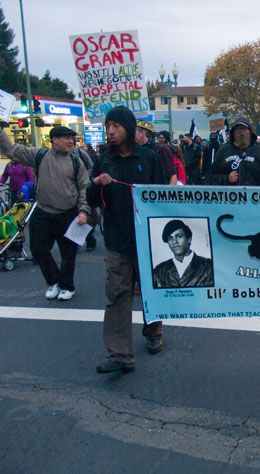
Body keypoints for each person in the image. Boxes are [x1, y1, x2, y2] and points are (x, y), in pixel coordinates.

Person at [87, 106, 167, 373]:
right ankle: (120, 354)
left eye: (116, 126)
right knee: (117, 295)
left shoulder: (149, 157)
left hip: (147, 240)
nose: (110, 131)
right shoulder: (104, 161)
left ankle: (153, 331)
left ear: (129, 129)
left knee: (150, 291)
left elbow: (161, 196)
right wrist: (96, 184)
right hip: (117, 240)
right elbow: (92, 200)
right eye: (108, 126)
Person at [0, 125, 90, 301]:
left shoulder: (76, 161)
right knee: (38, 249)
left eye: (72, 138)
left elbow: (84, 187)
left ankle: (67, 286)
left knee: (68, 253)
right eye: (66, 138)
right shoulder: (40, 155)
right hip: (43, 211)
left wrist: (84, 210)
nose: (71, 141)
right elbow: (11, 150)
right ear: (55, 140)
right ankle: (54, 281)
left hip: (67, 212)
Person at [209, 118, 260, 186]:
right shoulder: (223, 151)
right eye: (238, 129)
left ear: (250, 132)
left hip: (254, 192)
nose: (241, 132)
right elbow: (212, 176)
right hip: (229, 192)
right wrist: (227, 178)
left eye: (245, 129)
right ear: (233, 133)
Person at [152, 219, 213, 288]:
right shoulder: (159, 271)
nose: (174, 242)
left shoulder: (208, 266)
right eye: (170, 238)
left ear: (189, 239)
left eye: (179, 236)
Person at [135, 120, 177, 185]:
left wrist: (169, 190)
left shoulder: (161, 150)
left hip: (158, 189)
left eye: (134, 132)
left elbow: (172, 175)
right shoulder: (134, 150)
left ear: (142, 134)